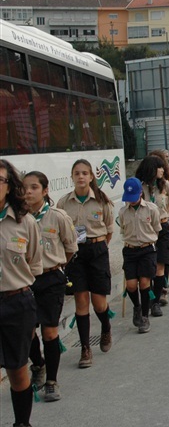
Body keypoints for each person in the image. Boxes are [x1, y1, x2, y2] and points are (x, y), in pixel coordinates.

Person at [23, 171, 77, 403]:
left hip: (51, 278)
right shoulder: (18, 218)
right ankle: (38, 364)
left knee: (49, 331)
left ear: (45, 191)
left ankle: (52, 381)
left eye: (34, 187)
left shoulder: (58, 217)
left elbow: (70, 247)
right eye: (25, 188)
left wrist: (54, 265)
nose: (28, 192)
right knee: (26, 331)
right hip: (25, 281)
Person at [0, 160, 42, 427]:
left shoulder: (24, 222)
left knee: (17, 370)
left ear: (9, 186)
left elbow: (34, 264)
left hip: (16, 302)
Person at [57, 159, 115, 368]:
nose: (81, 177)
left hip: (97, 251)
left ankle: (106, 328)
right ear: (72, 177)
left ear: (91, 177)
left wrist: (97, 246)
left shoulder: (102, 200)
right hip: (76, 254)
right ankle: (85, 349)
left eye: (85, 173)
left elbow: (109, 230)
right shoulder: (63, 203)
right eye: (77, 173)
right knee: (81, 301)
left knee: (99, 303)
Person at [135, 155, 169, 316]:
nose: (162, 170)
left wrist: (164, 211)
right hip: (145, 230)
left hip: (163, 228)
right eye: (159, 167)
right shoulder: (139, 186)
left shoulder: (165, 185)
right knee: (148, 268)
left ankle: (156, 302)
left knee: (160, 265)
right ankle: (145, 301)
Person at [118, 177, 160, 335]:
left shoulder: (151, 209)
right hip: (130, 250)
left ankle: (144, 316)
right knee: (131, 284)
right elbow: (123, 230)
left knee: (144, 283)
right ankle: (136, 306)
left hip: (147, 249)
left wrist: (147, 241)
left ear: (141, 193)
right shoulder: (122, 212)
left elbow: (156, 229)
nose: (131, 201)